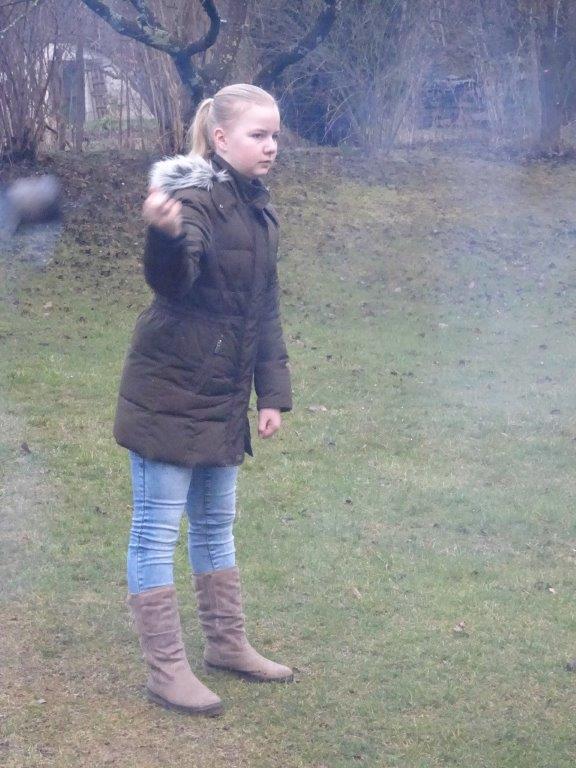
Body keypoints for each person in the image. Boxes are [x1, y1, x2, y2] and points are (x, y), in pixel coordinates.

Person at [113, 84, 293, 717]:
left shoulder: (257, 211)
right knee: (155, 532)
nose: (270, 146)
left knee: (216, 525)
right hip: (168, 394)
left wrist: (271, 394)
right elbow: (173, 280)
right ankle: (166, 671)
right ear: (220, 138)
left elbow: (263, 309)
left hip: (221, 399)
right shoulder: (192, 200)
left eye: (275, 135)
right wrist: (163, 235)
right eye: (257, 135)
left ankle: (226, 644)